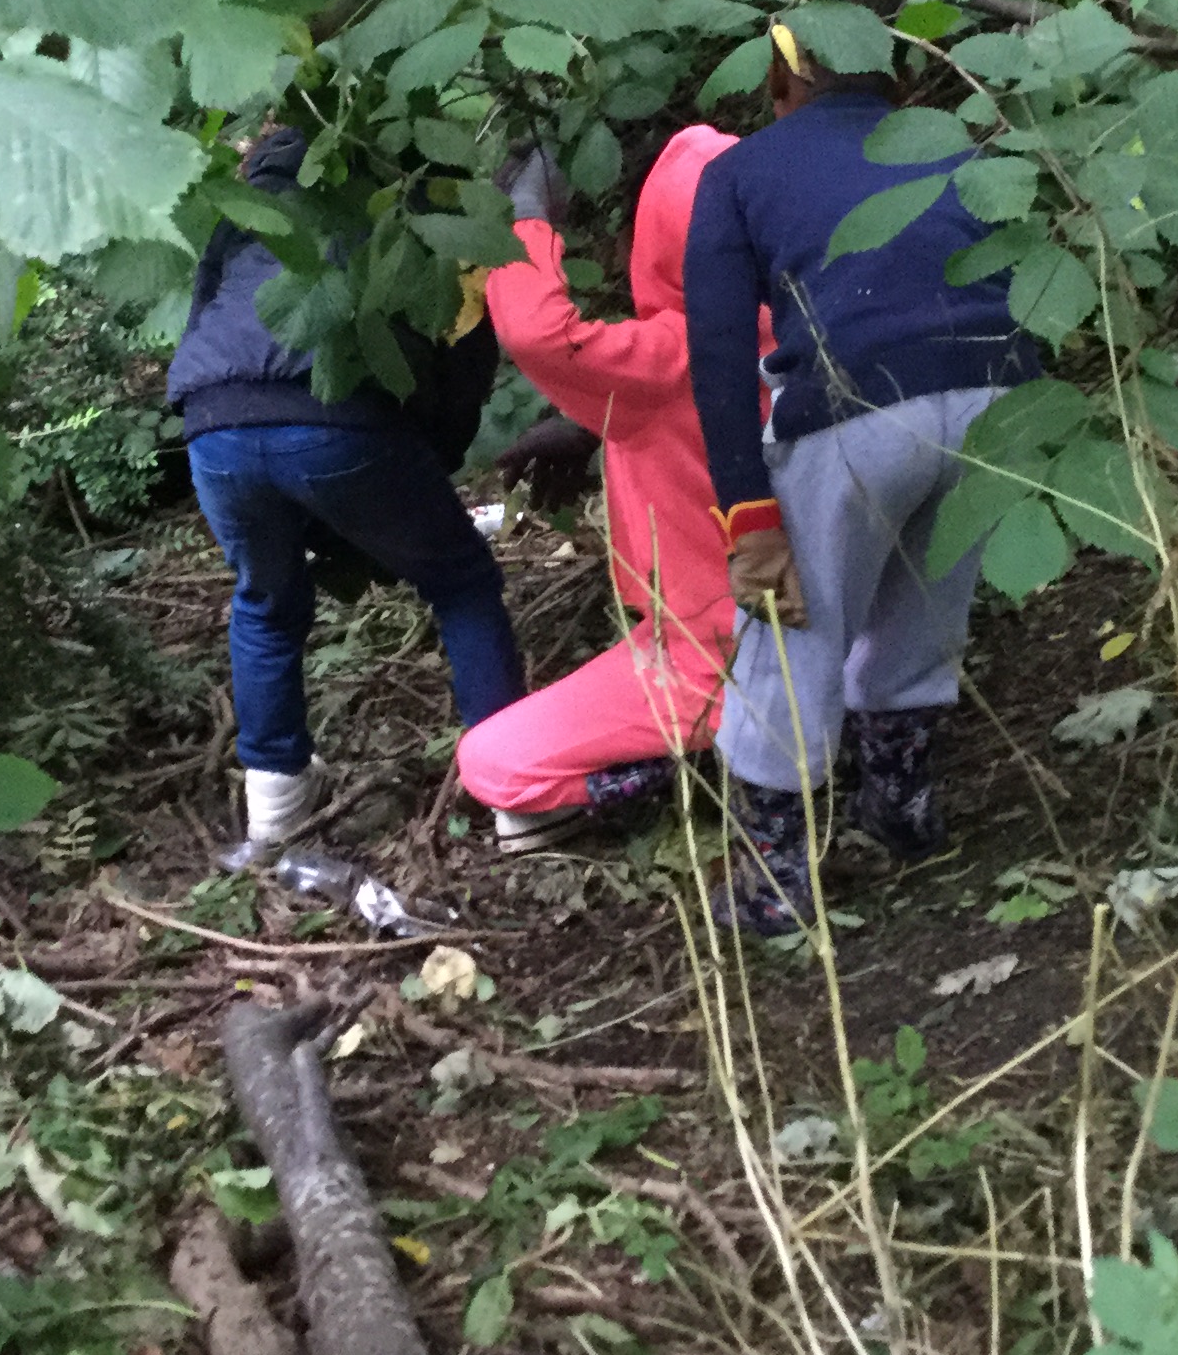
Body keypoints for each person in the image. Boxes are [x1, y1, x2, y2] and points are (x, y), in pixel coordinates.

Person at [683, 25, 1041, 931]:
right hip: (1001, 395)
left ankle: (776, 882)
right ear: (898, 79)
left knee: (793, 631)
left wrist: (747, 512)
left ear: (782, 80)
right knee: (927, 604)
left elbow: (717, 357)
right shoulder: (955, 144)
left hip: (856, 406)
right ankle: (903, 807)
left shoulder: (738, 174)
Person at [167, 126, 523, 853]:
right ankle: (518, 798)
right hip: (336, 417)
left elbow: (205, 313)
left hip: (214, 426)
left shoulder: (243, 212)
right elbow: (463, 345)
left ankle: (275, 810)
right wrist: (433, 459)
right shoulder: (404, 211)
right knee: (460, 582)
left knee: (265, 605)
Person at [456, 127, 746, 843]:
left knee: (494, 765)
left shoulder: (678, 353)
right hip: (831, 626)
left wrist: (526, 220)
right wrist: (595, 429)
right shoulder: (807, 323)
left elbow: (542, 336)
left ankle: (715, 759)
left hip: (717, 653)